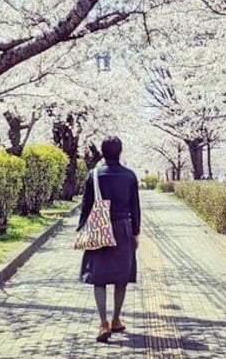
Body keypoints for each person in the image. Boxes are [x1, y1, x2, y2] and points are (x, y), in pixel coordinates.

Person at [77, 135, 141, 343]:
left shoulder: (93, 175)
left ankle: (103, 322)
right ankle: (116, 319)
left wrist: (81, 229)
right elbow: (135, 208)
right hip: (123, 228)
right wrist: (136, 232)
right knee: (121, 276)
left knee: (99, 277)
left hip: (99, 228)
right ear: (120, 151)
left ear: (103, 152)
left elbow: (86, 207)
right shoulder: (130, 176)